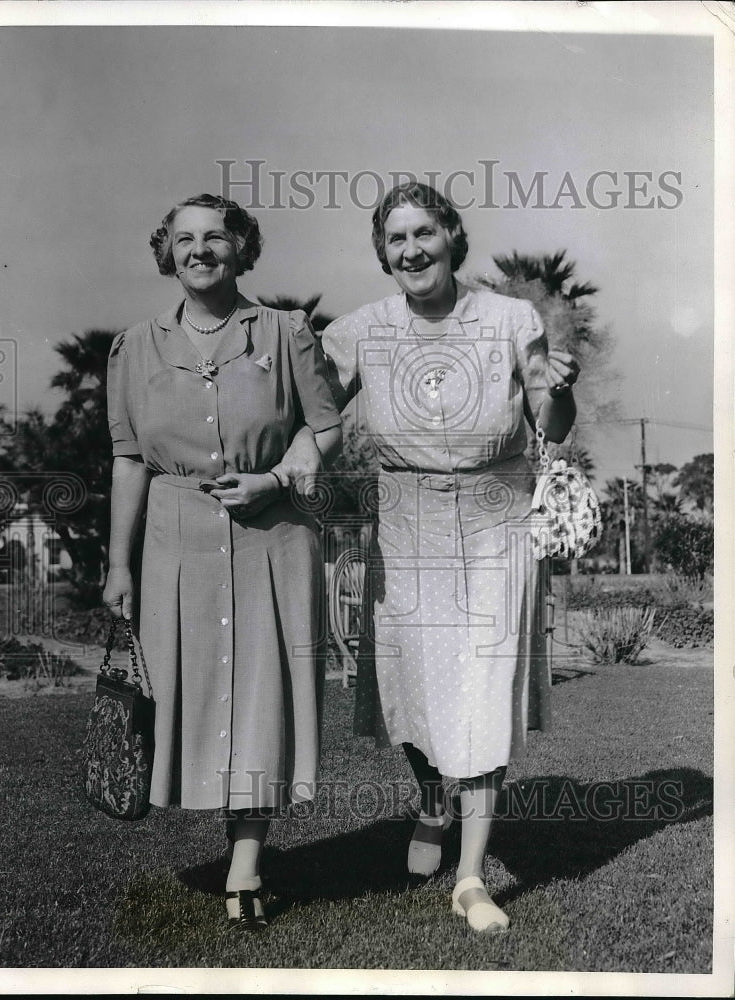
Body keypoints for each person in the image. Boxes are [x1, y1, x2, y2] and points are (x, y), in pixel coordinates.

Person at [320, 182, 579, 933]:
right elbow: (312, 416)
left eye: (423, 233)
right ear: (383, 254)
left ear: (450, 235)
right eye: (396, 240)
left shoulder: (507, 318)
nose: (412, 250)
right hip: (404, 519)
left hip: (498, 515)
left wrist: (564, 390)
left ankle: (470, 876)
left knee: (484, 687)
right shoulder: (359, 331)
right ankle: (432, 800)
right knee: (412, 685)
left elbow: (549, 421)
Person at [102, 193, 342, 932]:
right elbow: (127, 460)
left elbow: (326, 428)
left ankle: (245, 868)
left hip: (274, 536)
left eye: (216, 237)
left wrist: (273, 480)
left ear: (243, 247)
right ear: (166, 252)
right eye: (184, 239)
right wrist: (119, 565)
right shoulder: (134, 346)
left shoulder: (285, 330)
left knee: (262, 698)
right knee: (197, 698)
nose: (200, 250)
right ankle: (231, 846)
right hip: (177, 539)